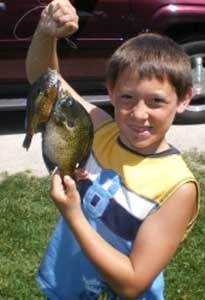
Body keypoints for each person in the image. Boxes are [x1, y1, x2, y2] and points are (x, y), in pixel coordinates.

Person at [25, 1, 200, 299]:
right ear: (111, 93)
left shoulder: (177, 187)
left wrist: (73, 215)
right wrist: (45, 33)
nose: (139, 114)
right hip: (69, 284)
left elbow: (132, 282)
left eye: (156, 101)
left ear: (183, 99)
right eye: (128, 97)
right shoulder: (100, 131)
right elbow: (44, 80)